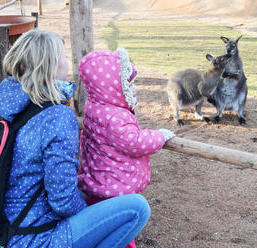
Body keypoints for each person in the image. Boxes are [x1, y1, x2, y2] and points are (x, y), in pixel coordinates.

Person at [1, 29, 151, 248]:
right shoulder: (56, 115)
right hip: (36, 238)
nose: (66, 62)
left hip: (7, 229)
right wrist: (91, 213)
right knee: (136, 208)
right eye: (62, 56)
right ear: (50, 64)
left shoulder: (7, 103)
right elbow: (62, 201)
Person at [77, 48, 174, 248]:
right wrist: (160, 136)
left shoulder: (95, 105)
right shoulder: (115, 116)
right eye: (128, 85)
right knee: (122, 228)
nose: (134, 89)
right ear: (112, 88)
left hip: (98, 181)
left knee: (105, 225)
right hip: (113, 186)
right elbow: (135, 142)